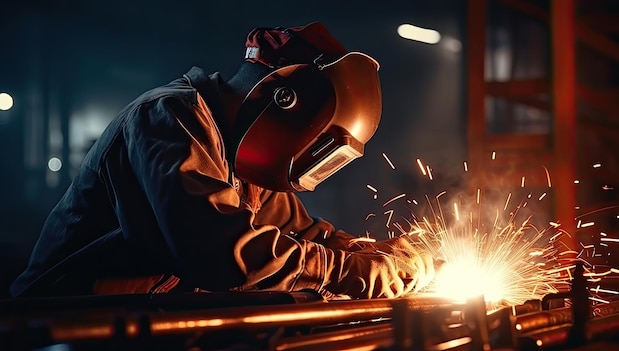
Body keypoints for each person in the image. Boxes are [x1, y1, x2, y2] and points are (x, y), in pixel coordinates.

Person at [10, 22, 435, 299]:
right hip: (59, 325)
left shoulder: (246, 158)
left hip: (132, 321)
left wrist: (372, 252)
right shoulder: (168, 118)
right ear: (284, 101)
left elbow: (302, 233)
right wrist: (349, 272)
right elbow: (218, 249)